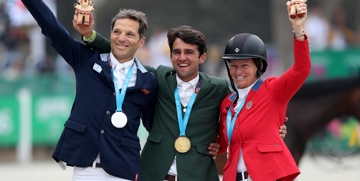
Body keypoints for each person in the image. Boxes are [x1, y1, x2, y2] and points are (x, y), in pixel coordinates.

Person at [75, 25, 288, 180]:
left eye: (189, 52)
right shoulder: (159, 77)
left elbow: (242, 110)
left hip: (197, 174)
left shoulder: (220, 87)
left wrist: (270, 128)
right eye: (176, 52)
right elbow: (126, 57)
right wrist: (90, 36)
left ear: (202, 58)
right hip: (155, 172)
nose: (182, 57)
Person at [10, 0, 158, 181]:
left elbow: (157, 127)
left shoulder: (149, 80)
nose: (122, 38)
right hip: (85, 169)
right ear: (110, 34)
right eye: (117, 32)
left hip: (125, 170)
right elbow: (50, 25)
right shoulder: (87, 60)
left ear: (141, 42)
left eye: (130, 34)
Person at [217, 3, 310, 181]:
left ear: (258, 66)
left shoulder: (272, 90)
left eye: (245, 65)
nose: (238, 71)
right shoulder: (227, 103)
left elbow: (301, 70)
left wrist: (298, 30)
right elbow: (221, 142)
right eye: (233, 66)